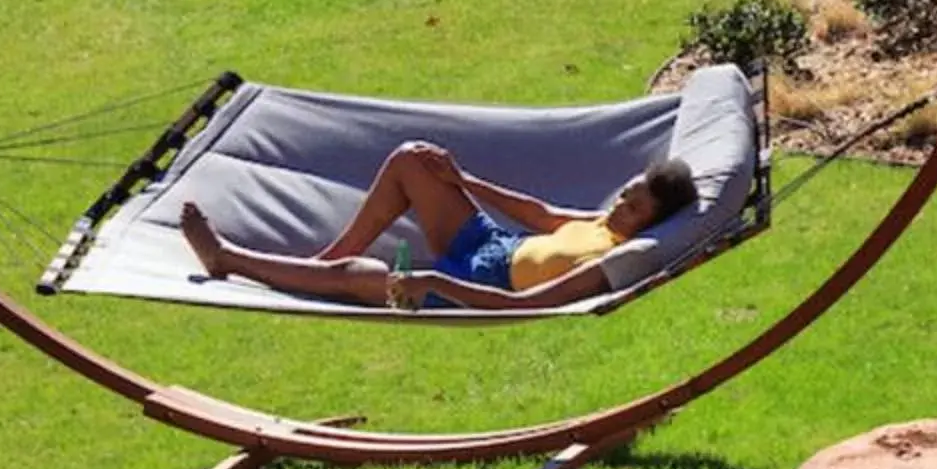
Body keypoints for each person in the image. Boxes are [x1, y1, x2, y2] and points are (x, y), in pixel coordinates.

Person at [177, 142, 700, 312]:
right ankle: (311, 267)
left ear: (651, 226)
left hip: (478, 289)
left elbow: (525, 308)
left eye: (632, 209)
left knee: (362, 274)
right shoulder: (602, 224)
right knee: (413, 160)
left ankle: (228, 259)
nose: (619, 207)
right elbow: (538, 216)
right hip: (492, 244)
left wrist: (435, 283)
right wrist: (461, 178)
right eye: (625, 195)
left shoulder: (615, 260)